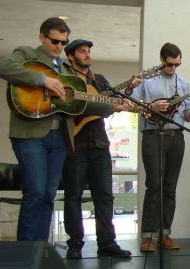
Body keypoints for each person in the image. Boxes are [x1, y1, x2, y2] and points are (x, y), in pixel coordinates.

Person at [0, 17, 111, 241]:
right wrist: (42, 80)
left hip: (59, 136)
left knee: (48, 194)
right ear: (42, 37)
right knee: (35, 192)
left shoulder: (66, 68)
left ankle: (40, 250)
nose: (59, 46)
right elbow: (3, 67)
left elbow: (80, 100)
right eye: (54, 41)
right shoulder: (27, 54)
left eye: (63, 42)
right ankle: (26, 252)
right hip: (31, 135)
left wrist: (113, 105)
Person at [61, 39, 138, 258]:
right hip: (75, 145)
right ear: (71, 57)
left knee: (105, 196)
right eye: (82, 52)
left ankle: (106, 243)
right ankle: (74, 244)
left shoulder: (99, 80)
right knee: (73, 196)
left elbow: (112, 102)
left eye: (88, 51)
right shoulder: (66, 81)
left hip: (101, 145)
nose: (87, 55)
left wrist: (129, 91)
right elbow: (70, 107)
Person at [130, 42, 190, 252]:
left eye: (177, 64)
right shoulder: (146, 79)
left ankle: (164, 234)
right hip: (152, 136)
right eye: (170, 64)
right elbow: (130, 105)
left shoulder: (183, 83)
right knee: (154, 186)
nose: (173, 69)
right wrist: (150, 107)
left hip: (176, 137)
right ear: (162, 60)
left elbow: (187, 117)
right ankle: (147, 236)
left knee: (170, 188)